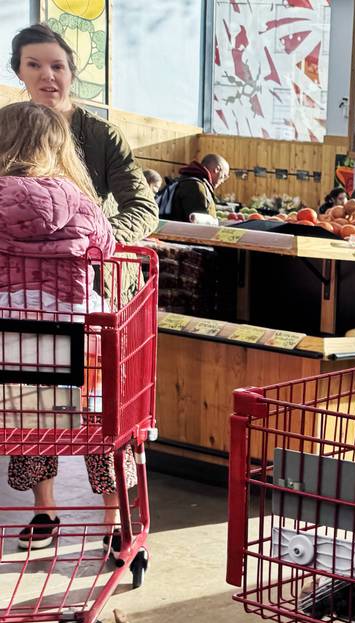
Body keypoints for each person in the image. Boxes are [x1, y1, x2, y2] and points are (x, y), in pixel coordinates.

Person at [0, 102, 137, 552]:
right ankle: (114, 521)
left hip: (11, 347)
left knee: (29, 416)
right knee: (104, 420)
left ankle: (45, 511)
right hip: (78, 345)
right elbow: (107, 246)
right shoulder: (80, 202)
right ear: (58, 147)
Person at [11, 24, 157, 244]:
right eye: (34, 65)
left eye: (57, 66)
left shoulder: (103, 135)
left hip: (87, 258)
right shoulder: (7, 128)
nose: (47, 75)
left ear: (71, 73)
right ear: (19, 72)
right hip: (15, 260)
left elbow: (143, 208)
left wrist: (92, 236)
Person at [159, 153, 229, 222]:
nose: (223, 181)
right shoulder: (195, 186)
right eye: (224, 176)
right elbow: (198, 222)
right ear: (217, 169)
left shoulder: (186, 181)